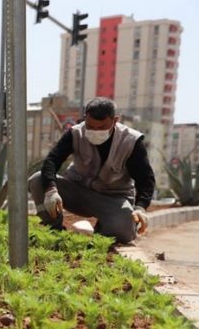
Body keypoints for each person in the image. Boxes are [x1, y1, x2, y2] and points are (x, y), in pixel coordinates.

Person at [28, 97, 155, 243]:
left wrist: (140, 207)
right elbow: (51, 161)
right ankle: (53, 230)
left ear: (115, 120)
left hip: (113, 199)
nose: (94, 131)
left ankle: (102, 232)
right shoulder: (75, 133)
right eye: (90, 126)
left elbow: (145, 179)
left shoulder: (131, 141)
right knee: (38, 180)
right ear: (85, 118)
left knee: (124, 232)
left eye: (101, 128)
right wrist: (51, 190)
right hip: (77, 191)